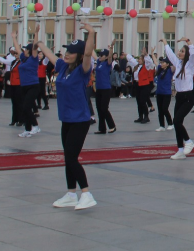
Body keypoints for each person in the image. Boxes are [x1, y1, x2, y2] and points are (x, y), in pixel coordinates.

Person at [37, 23, 97, 211]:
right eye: (66, 51)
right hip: (67, 120)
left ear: (78, 55)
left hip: (80, 120)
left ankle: (86, 194)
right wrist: (39, 41)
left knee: (72, 158)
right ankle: (71, 194)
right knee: (67, 157)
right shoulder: (63, 68)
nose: (67, 54)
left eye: (71, 52)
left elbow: (88, 54)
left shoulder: (82, 70)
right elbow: (50, 54)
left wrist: (92, 33)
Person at [161, 37, 194, 159]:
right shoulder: (178, 63)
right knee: (178, 124)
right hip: (179, 96)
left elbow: (193, 53)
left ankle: (188, 141)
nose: (180, 53)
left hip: (188, 97)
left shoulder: (190, 64)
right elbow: (170, 55)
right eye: (180, 51)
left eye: (182, 51)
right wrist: (166, 43)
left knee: (176, 120)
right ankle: (180, 150)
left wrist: (188, 41)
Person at [10, 30, 42, 138]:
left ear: (28, 50)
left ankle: (36, 126)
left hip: (33, 85)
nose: (23, 50)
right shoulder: (23, 59)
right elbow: (17, 49)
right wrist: (14, 37)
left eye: (25, 49)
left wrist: (36, 33)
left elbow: (35, 46)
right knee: (24, 108)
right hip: (23, 86)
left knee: (27, 107)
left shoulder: (33, 59)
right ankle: (27, 130)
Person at [93, 45, 117, 135]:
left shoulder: (108, 63)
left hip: (106, 88)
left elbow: (110, 56)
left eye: (102, 55)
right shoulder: (99, 62)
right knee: (99, 109)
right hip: (99, 88)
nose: (100, 56)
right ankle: (102, 129)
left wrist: (111, 48)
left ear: (106, 56)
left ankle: (112, 126)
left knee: (104, 108)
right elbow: (93, 54)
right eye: (100, 55)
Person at [153, 55, 174, 131]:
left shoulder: (170, 70)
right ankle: (161, 125)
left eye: (163, 62)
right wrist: (152, 53)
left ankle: (170, 123)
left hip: (167, 93)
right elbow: (155, 62)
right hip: (159, 92)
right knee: (160, 110)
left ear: (167, 64)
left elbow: (175, 65)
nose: (161, 64)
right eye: (161, 62)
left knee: (165, 108)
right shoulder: (159, 69)